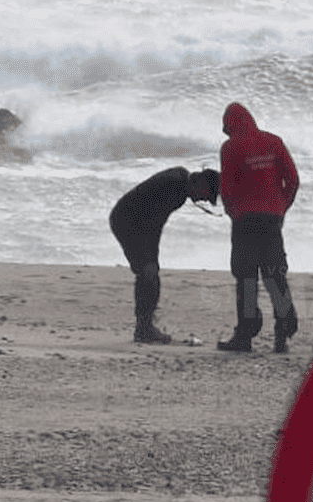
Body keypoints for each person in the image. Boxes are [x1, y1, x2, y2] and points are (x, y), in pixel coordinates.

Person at [216, 102, 300, 354]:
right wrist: (281, 208)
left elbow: (227, 187)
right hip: (271, 219)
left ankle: (245, 335)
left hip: (244, 221)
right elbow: (293, 180)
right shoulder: (274, 141)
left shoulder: (230, 147)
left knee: (246, 278)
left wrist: (232, 213)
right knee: (275, 276)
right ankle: (283, 332)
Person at [109, 166, 221, 344]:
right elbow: (154, 222)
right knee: (148, 273)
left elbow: (155, 220)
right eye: (207, 194)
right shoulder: (176, 187)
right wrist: (151, 257)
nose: (204, 200)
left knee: (148, 272)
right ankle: (144, 329)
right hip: (127, 221)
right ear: (201, 181)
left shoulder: (180, 180)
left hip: (127, 218)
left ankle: (145, 326)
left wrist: (151, 257)